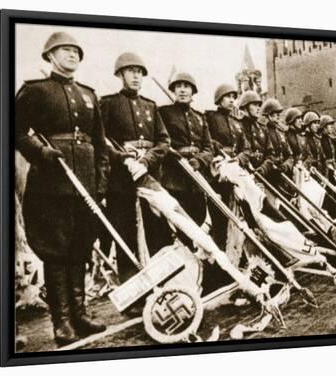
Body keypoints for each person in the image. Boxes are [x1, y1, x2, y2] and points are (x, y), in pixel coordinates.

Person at [15, 32, 108, 346]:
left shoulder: (88, 94)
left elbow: (99, 143)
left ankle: (80, 315)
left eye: (76, 51)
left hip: (85, 184)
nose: (72, 55)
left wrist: (100, 181)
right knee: (57, 250)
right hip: (51, 185)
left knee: (81, 247)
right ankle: (62, 321)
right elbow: (14, 131)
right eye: (65, 50)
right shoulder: (35, 91)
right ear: (50, 55)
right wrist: (40, 153)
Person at [100, 52, 171, 283]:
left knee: (157, 228)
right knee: (125, 231)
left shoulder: (150, 107)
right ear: (120, 74)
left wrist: (147, 160)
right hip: (121, 179)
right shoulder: (108, 104)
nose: (136, 76)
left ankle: (166, 279)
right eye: (131, 71)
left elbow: (164, 141)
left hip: (149, 174)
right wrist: (123, 158)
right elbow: (101, 140)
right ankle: (134, 287)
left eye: (139, 72)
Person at [159, 72, 213, 230]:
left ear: (193, 91)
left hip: (196, 181)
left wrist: (199, 160)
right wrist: (176, 156)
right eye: (178, 86)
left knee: (198, 221)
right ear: (173, 91)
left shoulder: (199, 118)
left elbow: (208, 148)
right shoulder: (164, 113)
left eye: (186, 86)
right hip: (175, 179)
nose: (182, 90)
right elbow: (161, 142)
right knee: (179, 224)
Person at [205, 84, 251, 250]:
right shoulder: (209, 117)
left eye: (234, 97)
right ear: (219, 99)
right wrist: (220, 153)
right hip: (218, 174)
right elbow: (206, 140)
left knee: (241, 214)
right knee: (219, 217)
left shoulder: (236, 123)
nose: (232, 100)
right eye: (227, 97)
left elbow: (247, 149)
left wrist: (238, 159)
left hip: (236, 170)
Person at [238, 90, 275, 176]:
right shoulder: (238, 126)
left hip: (263, 175)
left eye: (259, 105)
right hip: (244, 174)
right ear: (245, 107)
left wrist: (263, 168)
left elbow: (271, 154)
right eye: (254, 105)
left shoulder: (263, 128)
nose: (258, 108)